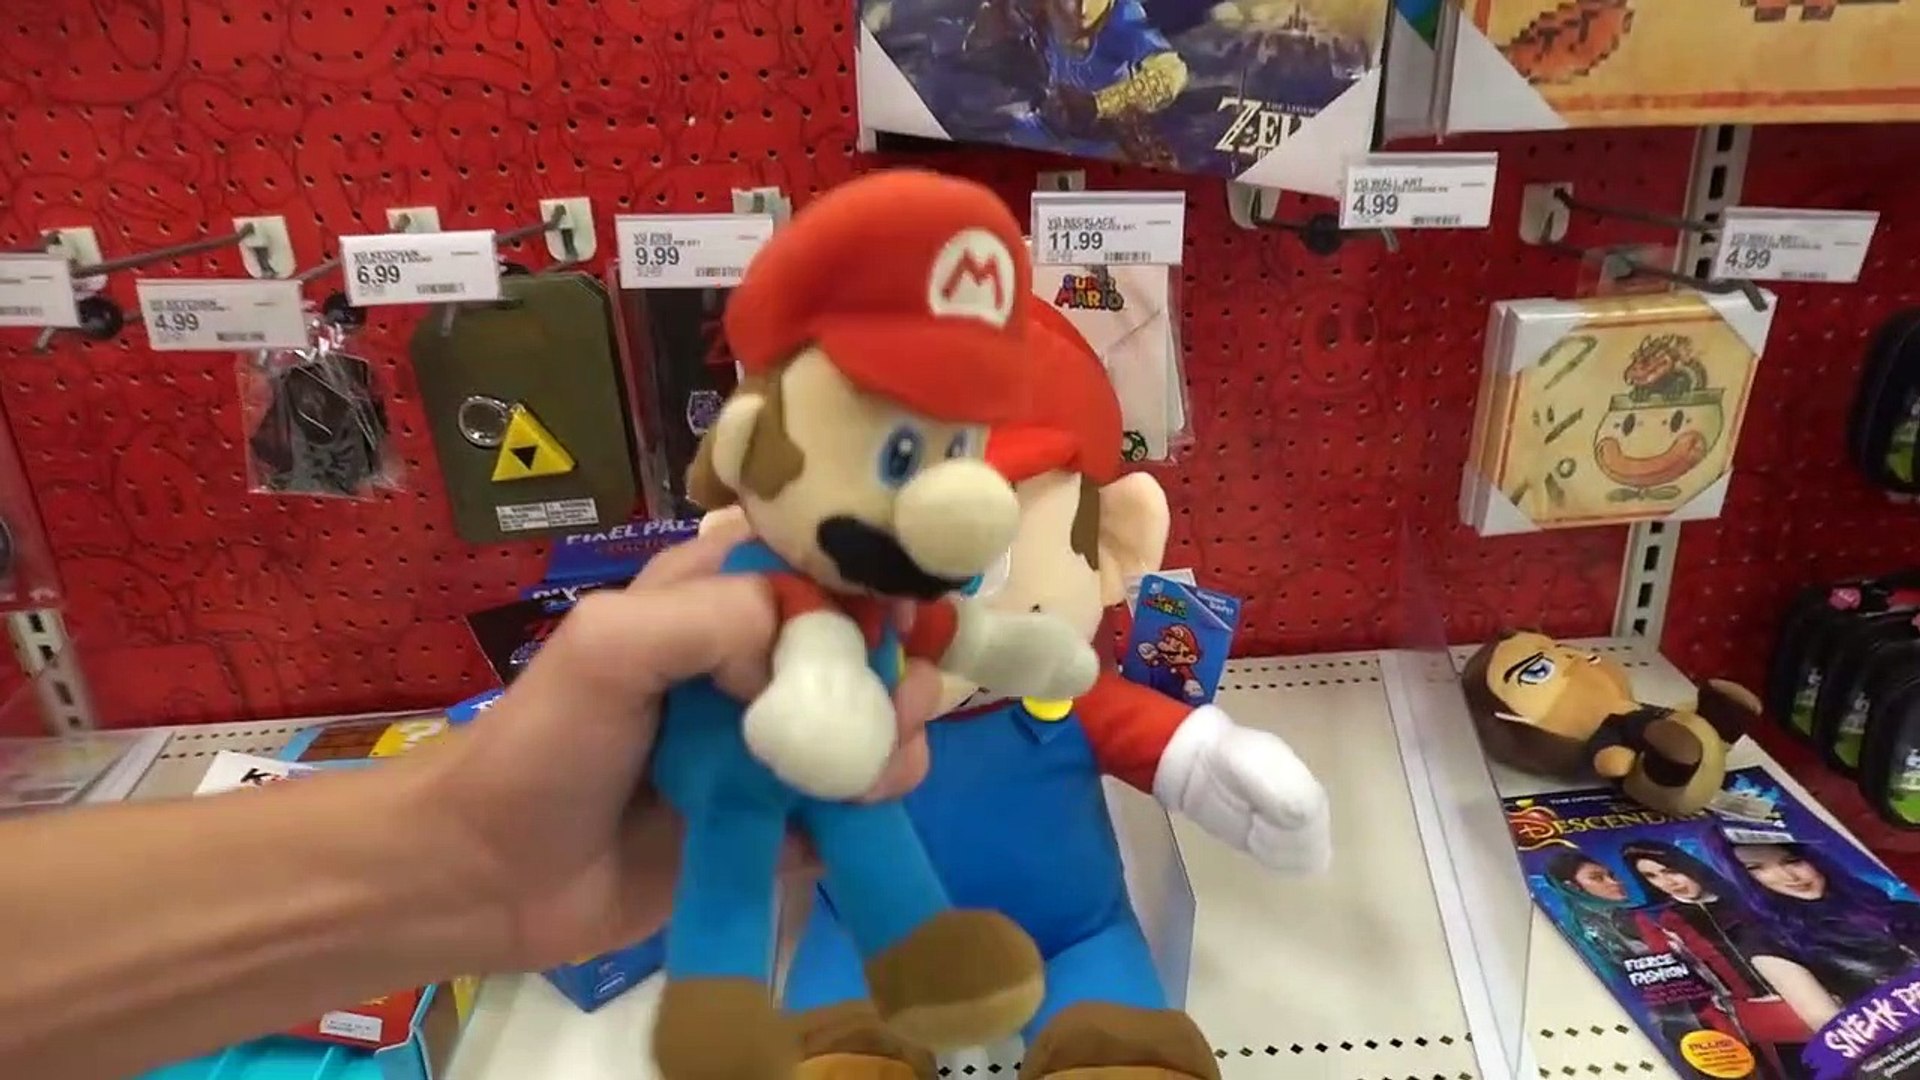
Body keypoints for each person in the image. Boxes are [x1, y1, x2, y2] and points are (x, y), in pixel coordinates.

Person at [0, 529, 943, 1080]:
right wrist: (467, 862)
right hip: (726, 784)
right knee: (754, 861)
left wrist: (465, 863)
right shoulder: (754, 572)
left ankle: (940, 968)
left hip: (787, 783)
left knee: (847, 834)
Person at [1621, 841, 1834, 1077]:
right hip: (1753, 1017)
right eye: (1652, 876)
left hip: (1821, 997)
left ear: (1686, 864)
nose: (1668, 882)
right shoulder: (1660, 920)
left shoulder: (1745, 896)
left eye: (1670, 870)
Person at [1734, 841, 1920, 1003]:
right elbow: (1827, 1021)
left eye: (1793, 860)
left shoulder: (1890, 905)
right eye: (1756, 868)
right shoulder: (1769, 941)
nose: (1789, 877)